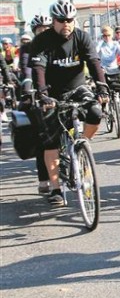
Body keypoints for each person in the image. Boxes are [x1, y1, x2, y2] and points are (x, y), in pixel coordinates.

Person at [29, 0, 109, 207]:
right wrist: (43, 94)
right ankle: (56, 189)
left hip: (77, 88)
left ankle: (82, 144)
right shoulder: (42, 41)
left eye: (70, 20)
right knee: (51, 141)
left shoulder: (81, 37)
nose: (66, 24)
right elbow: (39, 69)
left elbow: (93, 62)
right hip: (52, 93)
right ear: (54, 21)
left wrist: (102, 87)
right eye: (61, 20)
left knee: (95, 111)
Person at [19, 15, 52, 193]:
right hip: (39, 92)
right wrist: (28, 85)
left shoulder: (57, 43)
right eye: (40, 30)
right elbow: (27, 68)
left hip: (56, 90)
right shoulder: (29, 48)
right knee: (43, 137)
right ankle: (44, 178)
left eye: (47, 28)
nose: (44, 32)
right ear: (34, 32)